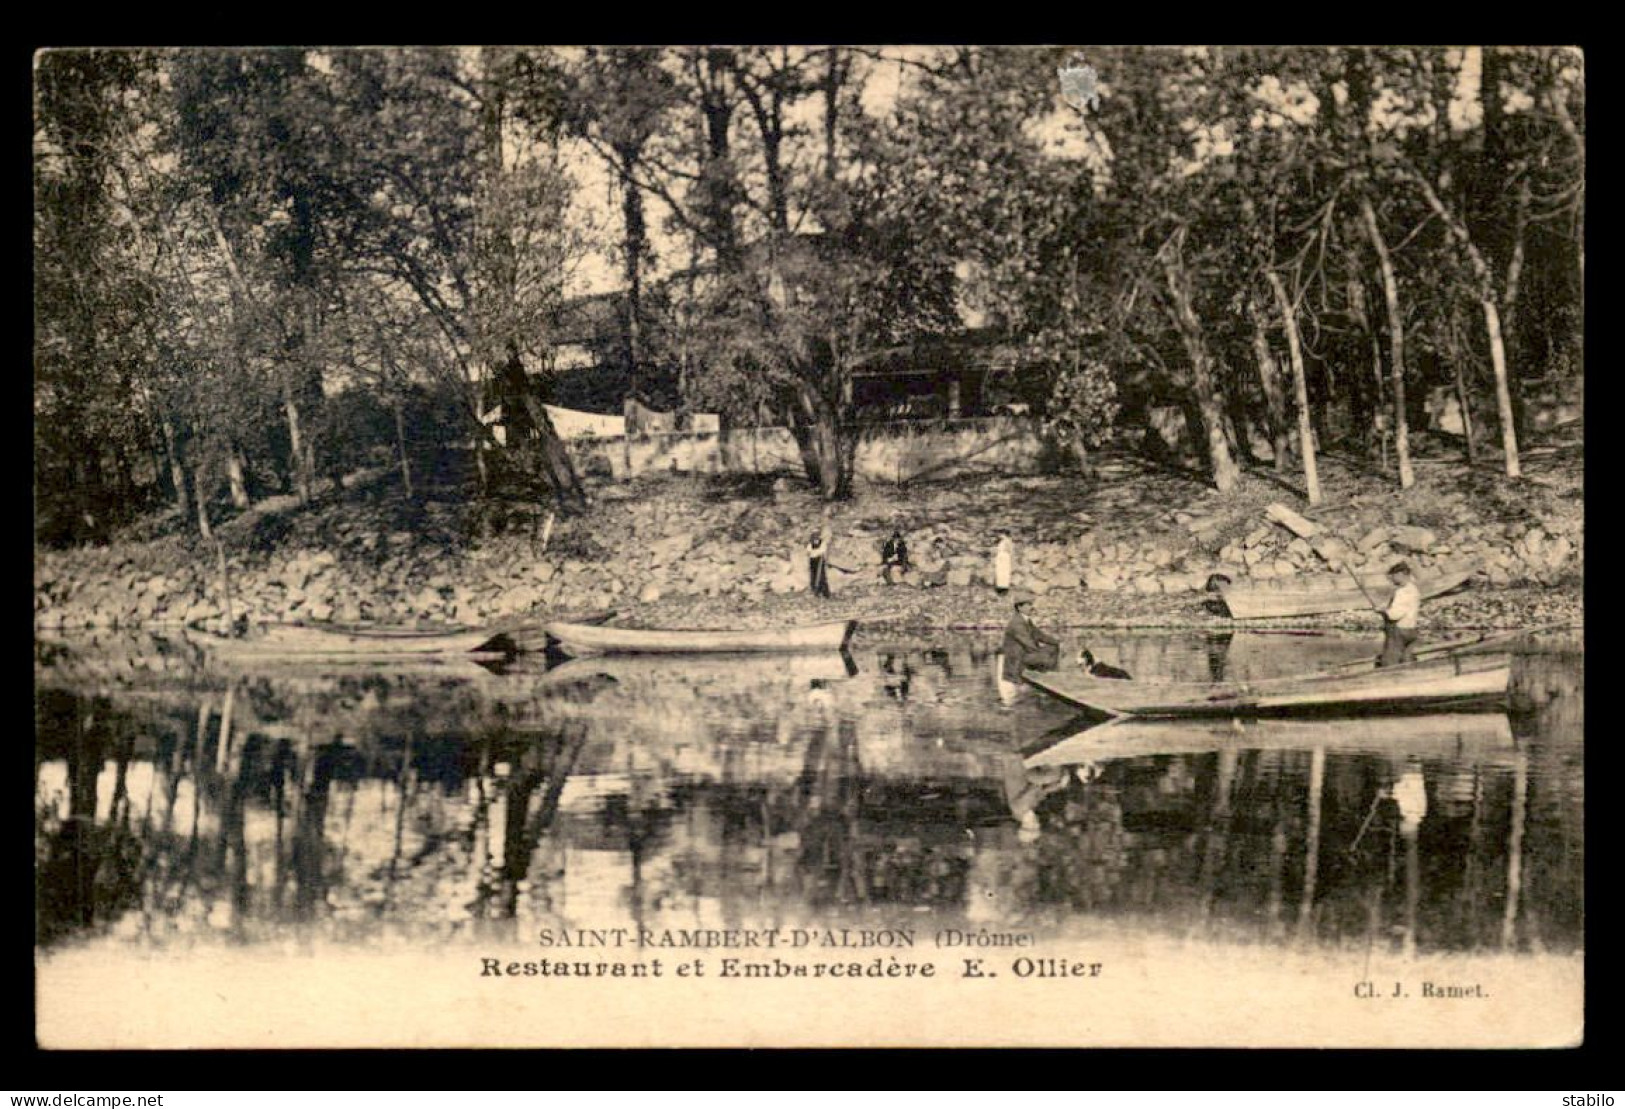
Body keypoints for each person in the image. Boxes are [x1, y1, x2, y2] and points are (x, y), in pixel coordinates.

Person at [1001, 590, 1059, 682]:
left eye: (1031, 604)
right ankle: (1048, 678)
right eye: (1028, 605)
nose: (1031, 607)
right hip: (1017, 660)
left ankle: (1048, 676)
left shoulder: (1026, 620)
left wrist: (1056, 642)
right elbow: (1028, 644)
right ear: (1019, 607)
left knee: (1053, 647)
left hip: (1025, 655)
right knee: (1045, 656)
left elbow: (1040, 635)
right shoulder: (1017, 623)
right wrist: (1042, 653)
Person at [1375, 560, 1421, 668]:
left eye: (1393, 576)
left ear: (1400, 575)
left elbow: (1394, 615)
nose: (1392, 579)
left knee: (1390, 661)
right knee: (1407, 659)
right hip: (1412, 628)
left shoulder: (1401, 592)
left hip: (1399, 631)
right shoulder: (1414, 589)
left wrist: (1382, 611)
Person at [806, 532, 831, 598]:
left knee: (821, 577)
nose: (815, 540)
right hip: (813, 561)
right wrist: (815, 553)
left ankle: (825, 593)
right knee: (813, 577)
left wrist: (815, 553)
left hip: (820, 561)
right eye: (814, 539)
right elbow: (809, 551)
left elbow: (822, 551)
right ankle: (815, 592)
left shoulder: (822, 543)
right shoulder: (810, 544)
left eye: (816, 538)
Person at [993, 530, 1014, 594]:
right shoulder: (1001, 541)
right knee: (999, 572)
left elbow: (1010, 550)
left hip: (1004, 557)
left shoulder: (1008, 541)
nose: (999, 535)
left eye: (1001, 534)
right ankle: (999, 587)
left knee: (1004, 572)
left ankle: (1004, 587)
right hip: (1000, 557)